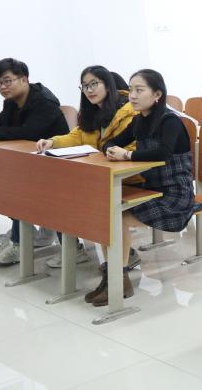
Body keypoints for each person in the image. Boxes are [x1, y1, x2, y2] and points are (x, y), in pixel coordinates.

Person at [69, 69, 194, 306]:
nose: (132, 96)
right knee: (107, 216)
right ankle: (114, 278)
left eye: (139, 90)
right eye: (131, 89)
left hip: (175, 195)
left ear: (157, 94)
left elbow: (163, 153)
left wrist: (127, 155)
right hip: (153, 189)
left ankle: (118, 280)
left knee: (118, 220)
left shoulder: (170, 121)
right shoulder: (139, 121)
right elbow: (111, 142)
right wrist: (111, 149)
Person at [36, 66, 140, 269]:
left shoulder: (127, 112)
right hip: (103, 176)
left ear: (108, 85)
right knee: (61, 194)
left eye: (94, 84)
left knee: (86, 201)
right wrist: (53, 142)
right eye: (85, 86)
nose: (89, 90)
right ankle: (117, 256)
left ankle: (120, 261)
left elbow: (132, 148)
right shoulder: (93, 114)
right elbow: (76, 136)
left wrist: (109, 155)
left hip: (129, 177)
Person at [0, 58, 69, 264]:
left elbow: (29, 132)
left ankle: (21, 242)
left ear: (24, 79)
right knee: (1, 185)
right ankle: (25, 236)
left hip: (58, 165)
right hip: (30, 163)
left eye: (7, 81)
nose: (2, 87)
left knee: (15, 189)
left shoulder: (45, 102)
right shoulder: (11, 102)